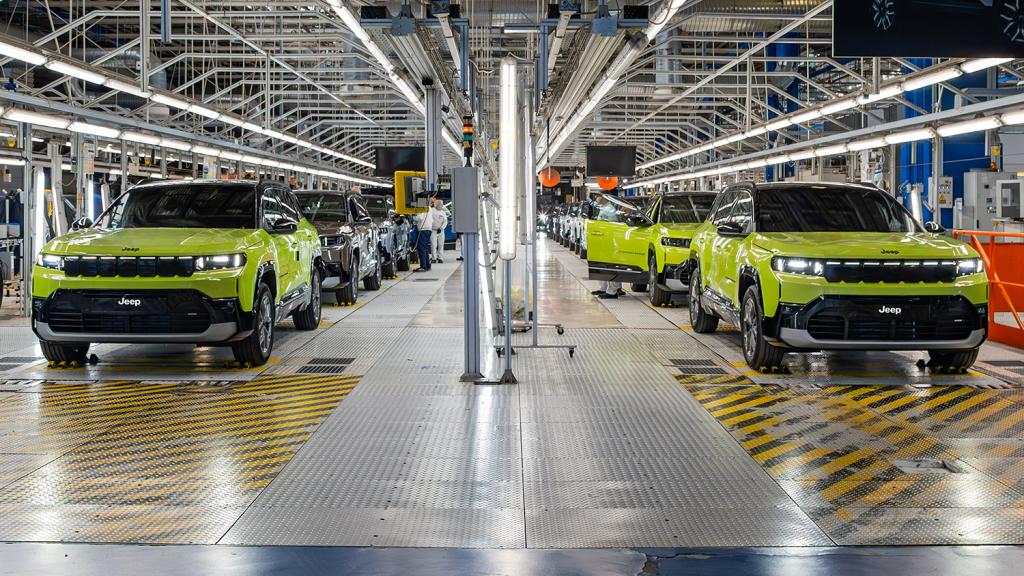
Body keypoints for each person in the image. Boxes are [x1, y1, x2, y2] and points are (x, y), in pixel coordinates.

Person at [589, 196, 625, 299]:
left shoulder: (610, 210)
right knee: (603, 265)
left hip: (609, 240)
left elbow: (612, 226)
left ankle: (613, 290)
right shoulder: (604, 207)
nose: (596, 199)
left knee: (610, 265)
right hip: (603, 239)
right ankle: (604, 288)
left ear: (604, 198)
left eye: (598, 197)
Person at [413, 206, 435, 272]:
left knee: (421, 248)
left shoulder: (422, 207)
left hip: (423, 229)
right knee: (425, 248)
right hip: (429, 229)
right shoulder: (429, 207)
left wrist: (413, 217)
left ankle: (423, 266)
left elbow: (420, 217)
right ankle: (427, 265)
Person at [430, 199, 449, 264]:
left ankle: (440, 258)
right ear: (436, 205)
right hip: (433, 230)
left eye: (442, 204)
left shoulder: (443, 212)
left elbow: (445, 221)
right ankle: (434, 258)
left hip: (441, 230)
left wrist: (441, 228)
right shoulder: (432, 210)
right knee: (433, 244)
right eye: (440, 204)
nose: (441, 205)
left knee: (441, 244)